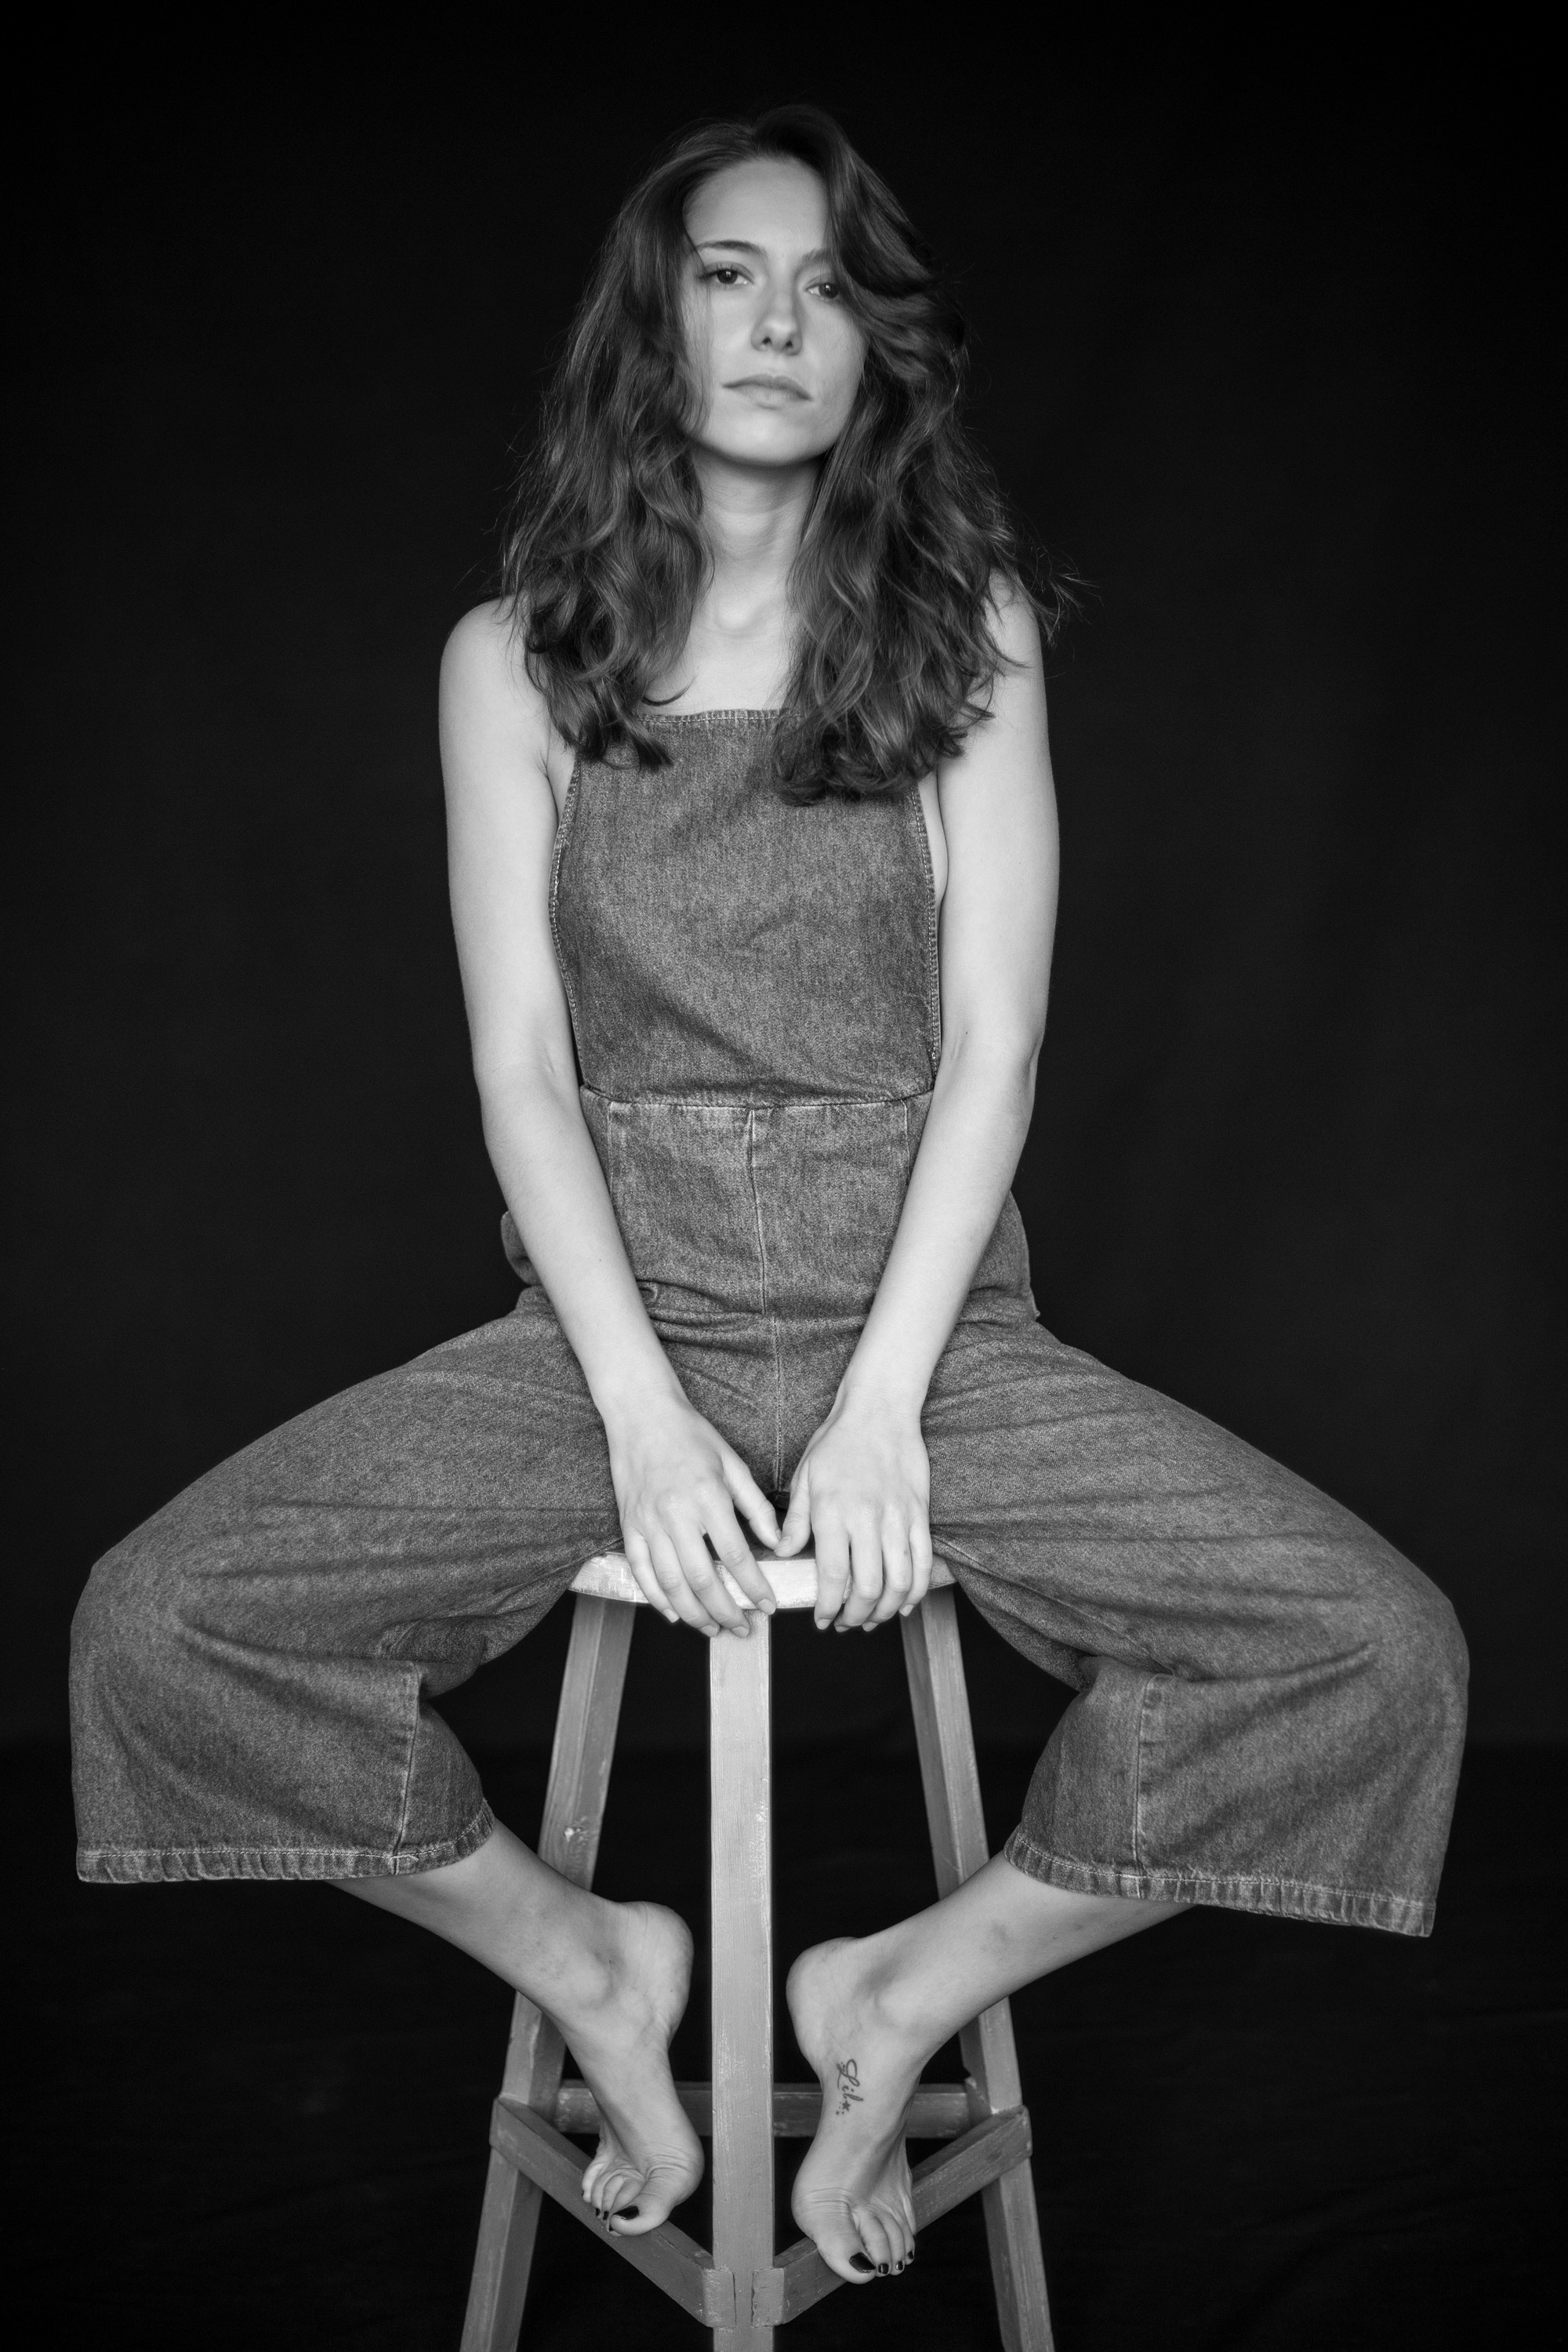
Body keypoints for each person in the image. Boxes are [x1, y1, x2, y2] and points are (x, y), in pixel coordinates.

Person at [69, 106, 1468, 2289]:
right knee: (159, 1627)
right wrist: (639, 1412)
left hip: (924, 1323)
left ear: (875, 348)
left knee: (1376, 1651)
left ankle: (899, 1990)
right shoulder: (512, 663)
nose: (780, 324)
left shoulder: (964, 634)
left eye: (826, 289)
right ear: (654, 324)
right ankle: (589, 1962)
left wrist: (890, 1403)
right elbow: (523, 1073)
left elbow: (996, 1049)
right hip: (613, 1328)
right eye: (730, 276)